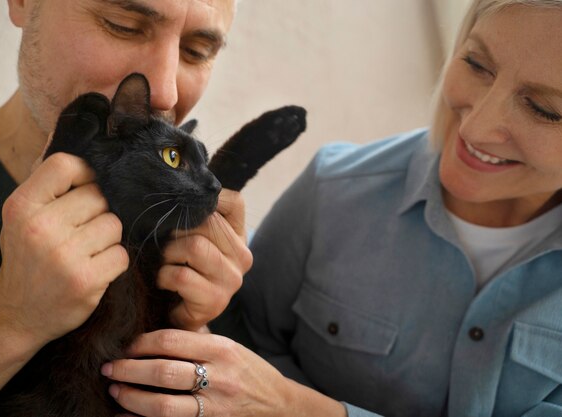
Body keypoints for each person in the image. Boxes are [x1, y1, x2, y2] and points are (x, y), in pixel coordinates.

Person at [95, 1, 562, 416]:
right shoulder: (333, 189)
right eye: (477, 64)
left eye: (544, 108)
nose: (478, 127)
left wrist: (296, 408)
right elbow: (234, 341)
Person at [0, 1, 252, 416]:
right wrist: (10, 317)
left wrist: (189, 329)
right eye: (122, 25)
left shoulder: (193, 237)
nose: (165, 91)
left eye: (196, 51)